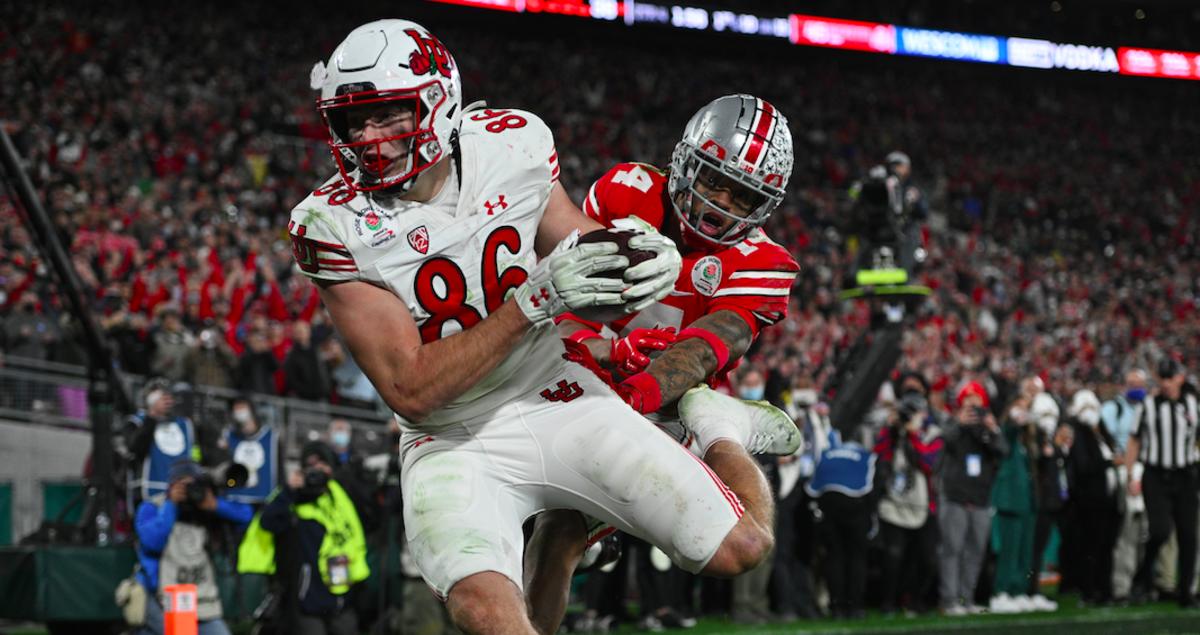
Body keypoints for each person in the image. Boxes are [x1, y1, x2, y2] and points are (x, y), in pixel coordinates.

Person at [289, 21, 790, 635]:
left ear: (438, 99)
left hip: (554, 390)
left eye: (388, 115)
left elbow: (577, 257)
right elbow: (411, 390)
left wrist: (629, 265)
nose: (369, 139)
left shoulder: (513, 142)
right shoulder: (329, 223)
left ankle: (722, 425)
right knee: (485, 610)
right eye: (351, 123)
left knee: (741, 546)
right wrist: (534, 300)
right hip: (451, 435)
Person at [522, 93, 802, 632]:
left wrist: (638, 395)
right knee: (554, 532)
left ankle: (725, 428)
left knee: (746, 541)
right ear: (684, 162)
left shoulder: (765, 263)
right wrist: (597, 352)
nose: (720, 203)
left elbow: (707, 345)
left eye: (742, 195)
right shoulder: (629, 190)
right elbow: (580, 293)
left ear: (765, 206)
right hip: (594, 374)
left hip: (676, 408)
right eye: (715, 180)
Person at [239, 442, 371, 635]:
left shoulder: (338, 494)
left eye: (322, 465)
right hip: (307, 599)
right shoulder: (294, 497)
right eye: (311, 466)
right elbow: (268, 522)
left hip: (342, 594)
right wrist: (290, 490)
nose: (317, 471)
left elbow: (368, 515)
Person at [133, 460, 253, 635]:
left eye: (193, 484)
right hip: (160, 598)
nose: (189, 490)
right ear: (172, 484)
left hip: (201, 601)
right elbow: (153, 542)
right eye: (183, 484)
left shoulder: (204, 507)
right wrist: (171, 505)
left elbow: (246, 516)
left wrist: (215, 505)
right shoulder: (153, 507)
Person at [1126, 358, 1200, 608]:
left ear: (1179, 378)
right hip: (1156, 474)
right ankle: (1143, 576)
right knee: (1160, 530)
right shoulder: (1147, 405)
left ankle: (1186, 591)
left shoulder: (1192, 403)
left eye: (1171, 378)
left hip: (1185, 474)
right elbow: (1134, 441)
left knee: (1189, 535)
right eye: (1163, 378)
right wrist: (1130, 474)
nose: (1167, 384)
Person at [874, 373, 942, 616]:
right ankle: (888, 603)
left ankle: (915, 600)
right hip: (893, 501)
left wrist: (913, 434)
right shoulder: (892, 430)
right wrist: (892, 430)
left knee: (926, 558)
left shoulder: (933, 433)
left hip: (924, 504)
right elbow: (879, 454)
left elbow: (928, 463)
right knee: (893, 556)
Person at [938, 381, 1008, 615]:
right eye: (968, 400)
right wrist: (959, 424)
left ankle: (966, 599)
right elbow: (943, 441)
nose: (972, 405)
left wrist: (993, 429)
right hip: (955, 495)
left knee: (975, 551)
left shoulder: (986, 428)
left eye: (976, 400)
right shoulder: (952, 421)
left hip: (980, 497)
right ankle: (949, 600)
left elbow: (1003, 451)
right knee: (952, 549)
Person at [1065, 389, 1122, 605]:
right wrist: (1109, 463)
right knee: (1091, 548)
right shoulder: (1079, 433)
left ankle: (1104, 590)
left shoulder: (1101, 433)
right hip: (1089, 502)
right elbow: (1083, 466)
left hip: (1107, 501)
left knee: (1105, 548)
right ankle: (1090, 591)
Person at [1102, 368, 1148, 599]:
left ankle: (1146, 581)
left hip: (1150, 473)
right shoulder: (1114, 409)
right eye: (1131, 383)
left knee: (1148, 532)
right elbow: (1105, 441)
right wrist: (1125, 464)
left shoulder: (1151, 407)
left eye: (1139, 384)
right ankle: (1122, 586)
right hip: (1125, 472)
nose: (1136, 388)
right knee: (1128, 532)